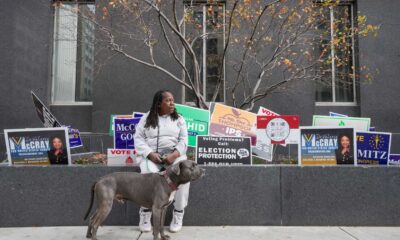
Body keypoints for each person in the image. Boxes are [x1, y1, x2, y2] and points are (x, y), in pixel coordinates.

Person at [134, 90, 189, 233]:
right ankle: (145, 214)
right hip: (152, 156)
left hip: (174, 156)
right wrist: (150, 153)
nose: (172, 103)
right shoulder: (146, 118)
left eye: (173, 100)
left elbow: (184, 140)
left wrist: (174, 154)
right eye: (168, 100)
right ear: (159, 103)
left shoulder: (179, 119)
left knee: (184, 176)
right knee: (149, 175)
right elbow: (138, 138)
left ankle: (178, 214)